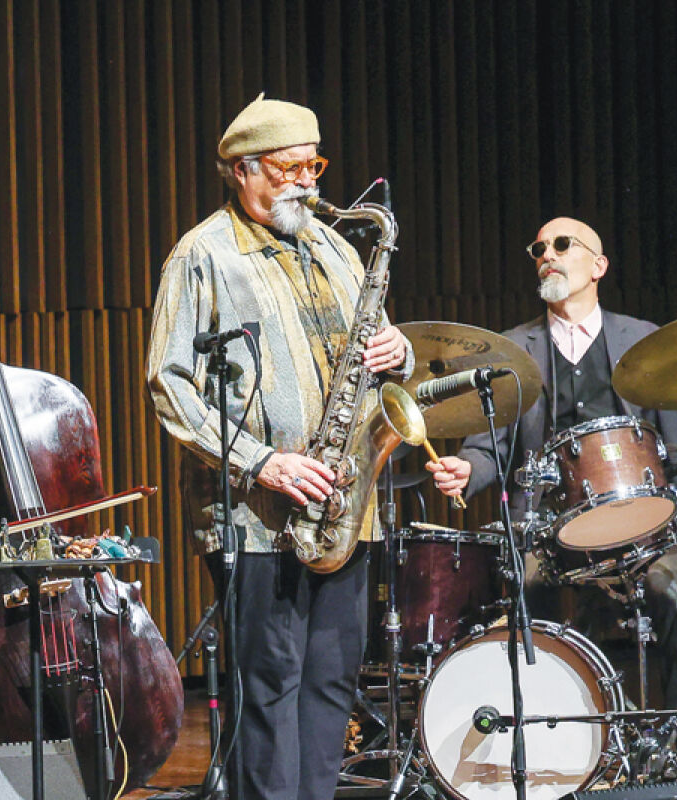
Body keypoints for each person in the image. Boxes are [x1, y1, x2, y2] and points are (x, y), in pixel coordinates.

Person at [147, 94, 412, 800]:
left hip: (344, 506)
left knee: (331, 682)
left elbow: (375, 347)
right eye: (289, 168)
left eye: (313, 166)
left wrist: (400, 349)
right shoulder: (202, 255)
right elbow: (170, 387)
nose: (307, 182)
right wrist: (264, 462)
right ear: (242, 170)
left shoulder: (334, 246)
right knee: (269, 688)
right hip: (258, 518)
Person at [427, 216, 677, 710]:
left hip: (639, 525)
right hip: (545, 527)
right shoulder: (514, 350)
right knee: (533, 606)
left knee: (672, 598)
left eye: (562, 244)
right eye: (538, 247)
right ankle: (557, 752)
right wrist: (468, 470)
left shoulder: (644, 340)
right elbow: (487, 447)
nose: (547, 255)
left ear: (598, 265)